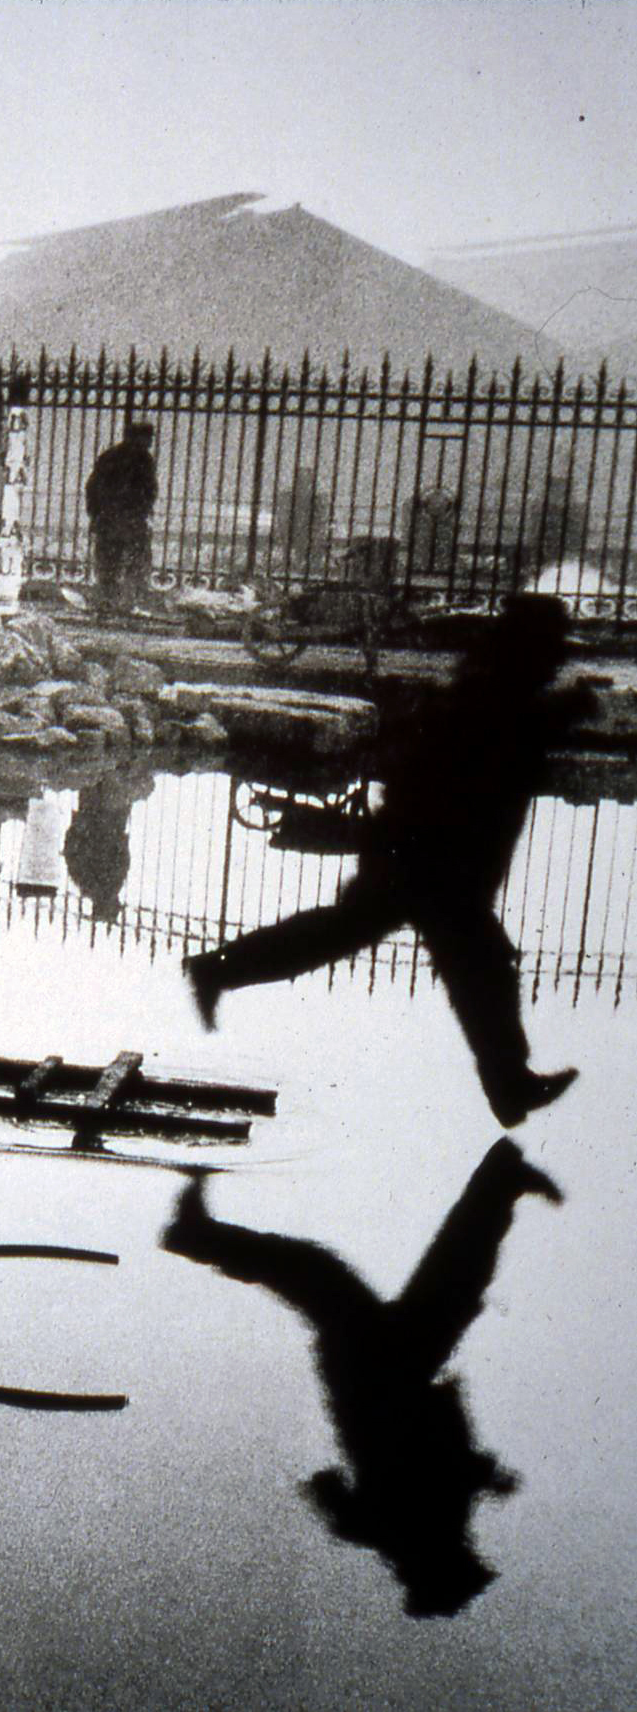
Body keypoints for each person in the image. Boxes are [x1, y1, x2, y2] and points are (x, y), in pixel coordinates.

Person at [184, 595, 593, 1128]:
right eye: (551, 651)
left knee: (435, 957)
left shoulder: (494, 687)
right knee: (474, 966)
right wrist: (567, 712)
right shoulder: (495, 695)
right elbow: (503, 741)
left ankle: (218, 970)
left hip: (428, 859)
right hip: (431, 862)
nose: (556, 661)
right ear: (531, 651)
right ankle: (508, 1085)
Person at [161, 1142, 562, 1617]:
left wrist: (477, 1477)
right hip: (390, 1371)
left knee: (343, 1275)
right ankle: (499, 1182)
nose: (474, 1553)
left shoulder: (404, 1528)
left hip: (376, 1373)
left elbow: (354, 1485)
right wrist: (481, 1476)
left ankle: (195, 1235)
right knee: (443, 1281)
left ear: (441, 1565)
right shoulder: (410, 1528)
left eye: (467, 1562)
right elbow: (339, 1486)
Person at [84, 422, 158, 613]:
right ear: (138, 438)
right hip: (131, 520)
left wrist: (95, 514)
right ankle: (128, 603)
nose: (150, 442)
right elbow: (149, 491)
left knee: (108, 564)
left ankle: (106, 602)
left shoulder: (108, 456)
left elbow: (92, 487)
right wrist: (143, 512)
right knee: (134, 563)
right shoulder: (143, 459)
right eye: (148, 438)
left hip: (107, 519)